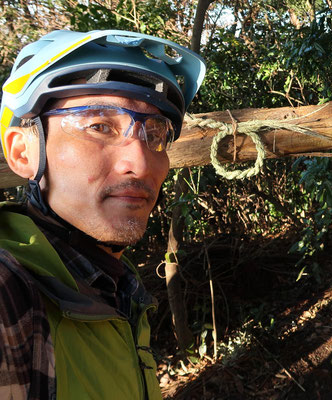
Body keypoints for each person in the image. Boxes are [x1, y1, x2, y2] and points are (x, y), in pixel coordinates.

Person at [0, 29, 205, 399]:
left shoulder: (121, 287)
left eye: (155, 133)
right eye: (98, 126)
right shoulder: (11, 293)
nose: (140, 163)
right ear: (23, 152)